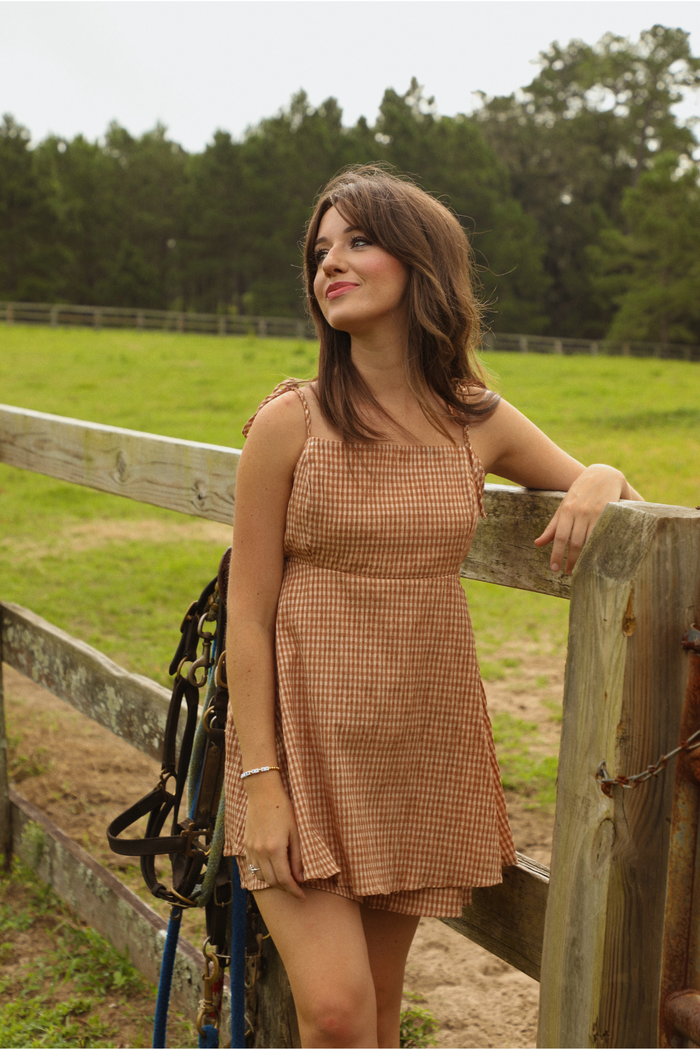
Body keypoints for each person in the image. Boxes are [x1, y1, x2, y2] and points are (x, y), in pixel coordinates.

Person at [223, 165, 642, 1049]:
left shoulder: (476, 418)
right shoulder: (290, 422)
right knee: (335, 1014)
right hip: (300, 743)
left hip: (418, 743)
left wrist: (601, 477)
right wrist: (261, 782)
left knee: (377, 1003)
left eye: (357, 242)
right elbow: (247, 615)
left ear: (423, 265)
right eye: (320, 250)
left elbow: (619, 497)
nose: (330, 263)